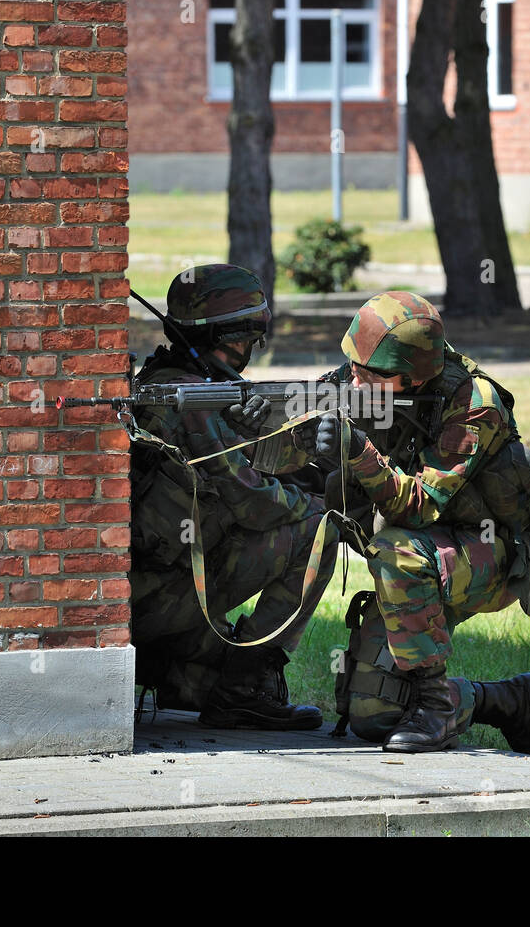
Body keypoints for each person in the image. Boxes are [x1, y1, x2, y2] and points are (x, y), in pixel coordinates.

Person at [295, 291, 530, 755]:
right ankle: (514, 700)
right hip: (426, 550)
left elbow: (418, 506)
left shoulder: (474, 406)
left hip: (497, 553)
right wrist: (275, 438)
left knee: (395, 549)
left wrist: (357, 451)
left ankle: (436, 704)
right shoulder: (363, 378)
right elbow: (305, 427)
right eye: (351, 366)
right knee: (373, 716)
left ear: (410, 376)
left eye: (369, 375)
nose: (351, 382)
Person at [128, 264, 338, 730]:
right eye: (247, 340)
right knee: (320, 529)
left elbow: (230, 478)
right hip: (157, 599)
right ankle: (245, 689)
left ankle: (193, 675)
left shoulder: (161, 379)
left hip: (141, 589)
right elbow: (252, 501)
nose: (249, 352)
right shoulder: (193, 402)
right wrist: (319, 509)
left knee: (199, 681)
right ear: (226, 336)